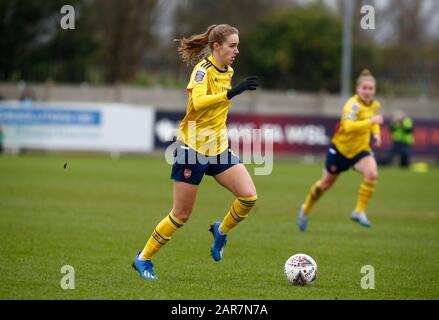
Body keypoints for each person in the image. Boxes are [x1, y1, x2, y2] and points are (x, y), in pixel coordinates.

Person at [132, 24, 259, 281]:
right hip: (193, 150)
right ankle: (143, 259)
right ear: (216, 47)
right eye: (232, 45)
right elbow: (199, 103)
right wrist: (231, 93)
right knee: (181, 214)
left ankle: (220, 231)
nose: (237, 50)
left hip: (218, 148)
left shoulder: (229, 70)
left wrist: (229, 92)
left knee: (248, 197)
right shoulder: (202, 71)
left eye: (237, 45)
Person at [297, 69, 384, 230]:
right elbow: (348, 126)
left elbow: (374, 123)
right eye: (364, 88)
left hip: (360, 151)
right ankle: (305, 209)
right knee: (324, 185)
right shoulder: (352, 105)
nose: (367, 91)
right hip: (340, 151)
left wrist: (377, 135)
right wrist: (371, 122)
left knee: (372, 173)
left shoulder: (374, 105)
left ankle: (359, 211)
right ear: (357, 89)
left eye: (370, 88)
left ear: (374, 90)